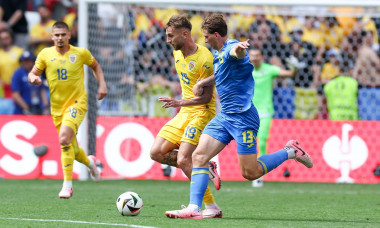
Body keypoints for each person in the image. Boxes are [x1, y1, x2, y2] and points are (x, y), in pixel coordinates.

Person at [165, 14, 313, 219]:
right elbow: (222, 70)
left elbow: (236, 54)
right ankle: (196, 208)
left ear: (217, 35)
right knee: (198, 157)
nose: (204, 39)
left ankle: (290, 151)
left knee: (249, 173)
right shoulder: (218, 53)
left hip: (244, 118)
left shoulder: (231, 47)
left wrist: (239, 49)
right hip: (224, 116)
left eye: (207, 36)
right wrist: (202, 82)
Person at [150, 15, 222, 218]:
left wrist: (180, 102)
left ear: (185, 33)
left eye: (170, 36)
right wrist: (181, 104)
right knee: (156, 153)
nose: (168, 40)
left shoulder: (204, 58)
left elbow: (207, 97)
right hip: (185, 112)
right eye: (166, 36)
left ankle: (207, 207)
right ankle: (206, 169)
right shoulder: (177, 54)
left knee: (184, 159)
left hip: (202, 112)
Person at [28, 21, 108, 199]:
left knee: (64, 139)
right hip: (57, 108)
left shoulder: (80, 53)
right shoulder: (45, 54)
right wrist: (33, 78)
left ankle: (67, 186)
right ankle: (91, 163)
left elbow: (96, 66)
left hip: (77, 103)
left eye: (63, 35)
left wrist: (102, 84)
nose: (60, 38)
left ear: (69, 35)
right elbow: (32, 73)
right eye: (56, 35)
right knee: (71, 147)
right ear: (51, 37)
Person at [248, 48, 296, 187]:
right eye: (252, 56)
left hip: (265, 111)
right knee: (250, 142)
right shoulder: (245, 70)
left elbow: (290, 74)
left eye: (257, 55)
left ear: (262, 57)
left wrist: (294, 66)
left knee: (261, 141)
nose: (255, 58)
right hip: (249, 112)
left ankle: (259, 174)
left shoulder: (269, 69)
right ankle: (253, 169)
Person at [0, 29, 24, 99]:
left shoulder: (19, 52)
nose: (4, 40)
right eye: (1, 38)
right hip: (5, 88)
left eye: (6, 38)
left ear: (11, 38)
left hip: (19, 86)